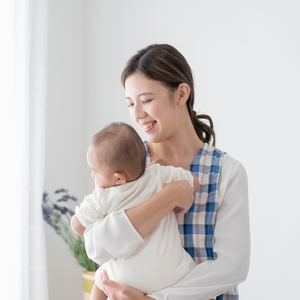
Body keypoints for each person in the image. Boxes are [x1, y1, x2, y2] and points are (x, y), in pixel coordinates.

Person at [84, 44, 251, 300]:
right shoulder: (125, 164)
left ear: (181, 94)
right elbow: (97, 246)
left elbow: (231, 267)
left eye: (146, 100)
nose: (137, 114)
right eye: (130, 104)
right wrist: (168, 197)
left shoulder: (226, 172)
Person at [71, 122, 201, 300]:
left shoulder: (104, 196)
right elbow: (193, 183)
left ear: (118, 178)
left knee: (101, 278)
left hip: (125, 280)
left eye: (95, 172)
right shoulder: (159, 175)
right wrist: (161, 169)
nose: (93, 176)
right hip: (173, 276)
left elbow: (78, 226)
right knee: (197, 282)